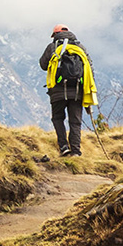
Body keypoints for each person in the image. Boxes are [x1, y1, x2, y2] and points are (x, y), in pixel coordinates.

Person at [39, 24, 96, 156]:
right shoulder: (80, 47)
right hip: (77, 91)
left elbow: (43, 64)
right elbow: (89, 68)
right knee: (75, 121)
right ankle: (76, 151)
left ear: (55, 35)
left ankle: (64, 147)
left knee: (58, 118)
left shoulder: (52, 47)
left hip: (57, 91)